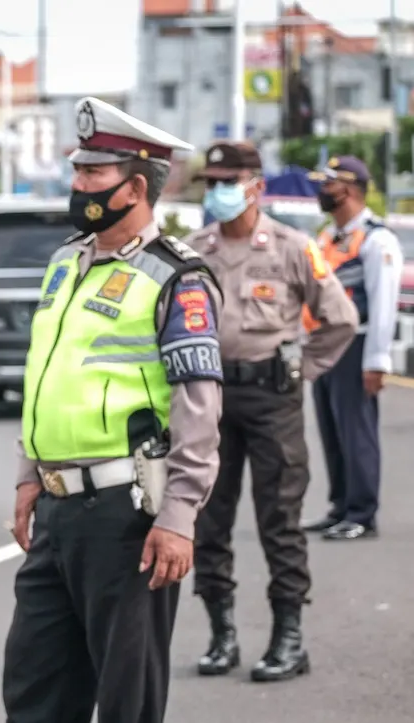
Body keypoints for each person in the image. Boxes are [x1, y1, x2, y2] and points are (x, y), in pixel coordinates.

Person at [2, 97, 224, 723]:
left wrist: (179, 516)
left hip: (126, 519)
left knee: (127, 700)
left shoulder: (177, 278)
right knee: (34, 692)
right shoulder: (65, 262)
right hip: (57, 510)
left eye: (92, 175)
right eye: (78, 171)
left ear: (135, 186)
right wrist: (28, 475)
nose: (78, 185)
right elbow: (47, 376)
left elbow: (198, 407)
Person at [184, 142, 358, 683]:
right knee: (207, 517)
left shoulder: (291, 247)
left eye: (227, 181)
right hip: (209, 398)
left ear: (255, 185)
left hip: (271, 397)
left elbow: (341, 318)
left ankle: (289, 637)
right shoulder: (192, 251)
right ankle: (222, 634)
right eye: (211, 183)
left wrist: (302, 368)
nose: (218, 192)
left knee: (278, 520)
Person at [301, 156, 403, 540]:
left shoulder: (377, 239)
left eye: (328, 185)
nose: (321, 192)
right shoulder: (329, 237)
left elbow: (381, 304)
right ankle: (340, 505)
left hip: (357, 345)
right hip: (326, 345)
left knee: (356, 430)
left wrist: (376, 361)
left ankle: (362, 513)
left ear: (348, 189)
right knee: (331, 430)